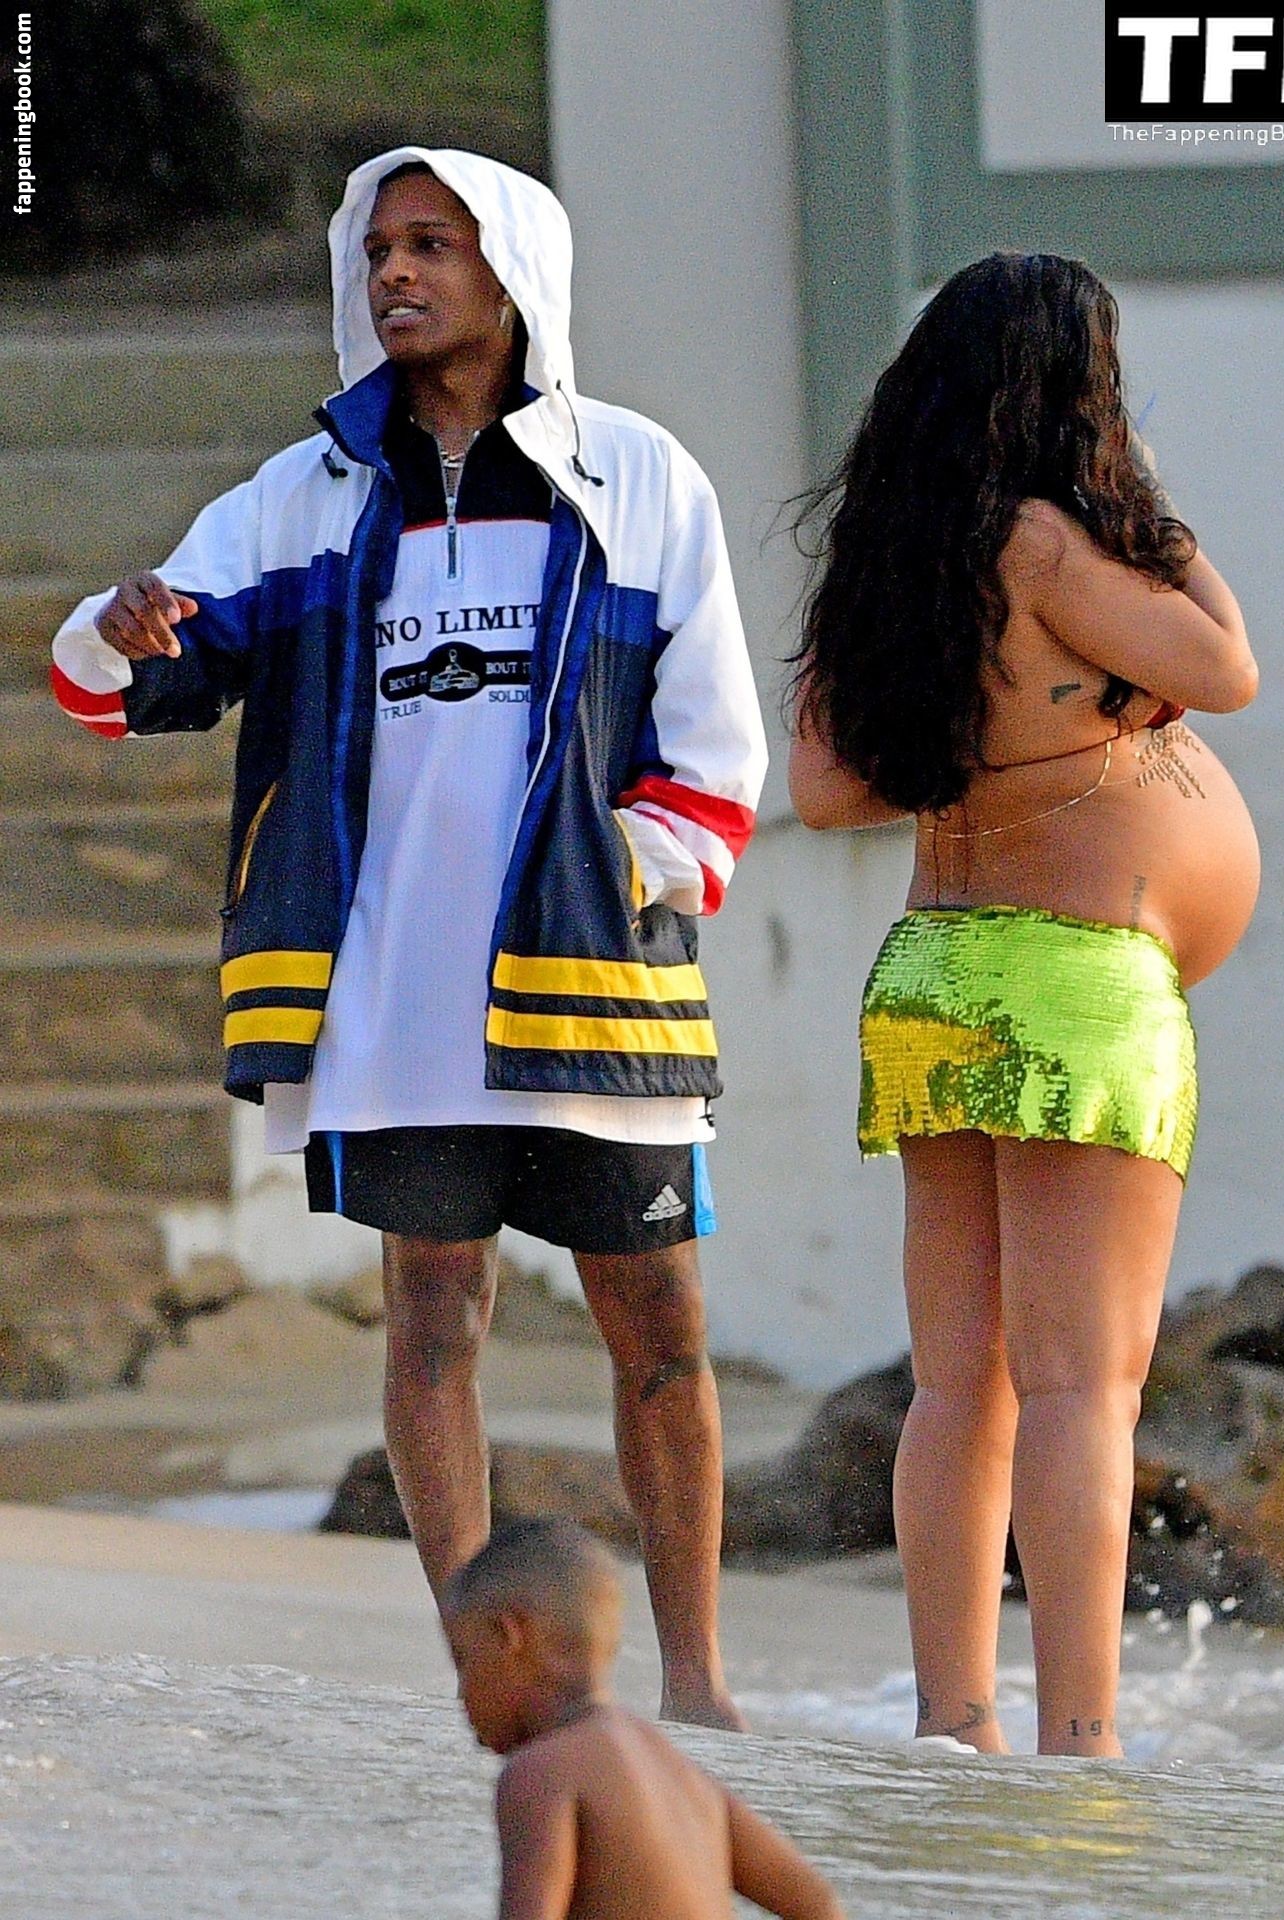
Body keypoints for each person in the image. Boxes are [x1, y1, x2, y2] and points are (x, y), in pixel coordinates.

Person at [50, 148, 767, 1730]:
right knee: (434, 1315)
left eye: (435, 244)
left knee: (659, 1321)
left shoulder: (638, 477)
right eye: (380, 247)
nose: (395, 272)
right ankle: (484, 1677)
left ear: (515, 274)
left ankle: (701, 1684)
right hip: (387, 1000)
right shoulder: (301, 495)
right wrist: (118, 628)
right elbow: (121, 682)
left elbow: (714, 748)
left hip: (593, 988)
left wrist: (617, 872)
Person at [788, 252, 1259, 1757]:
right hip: (1075, 987)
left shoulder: (884, 554)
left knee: (957, 1384)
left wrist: (992, 751)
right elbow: (1227, 668)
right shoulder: (1051, 543)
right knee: (1079, 1389)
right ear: (1078, 395)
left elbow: (824, 791)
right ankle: (1082, 1737)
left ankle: (953, 1719)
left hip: (933, 974)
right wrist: (1154, 525)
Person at [442, 1519, 845, 1920]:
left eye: (464, 1661)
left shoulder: (541, 1773)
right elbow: (817, 1902)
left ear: (509, 1637)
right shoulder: (677, 1770)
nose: (464, 1694)